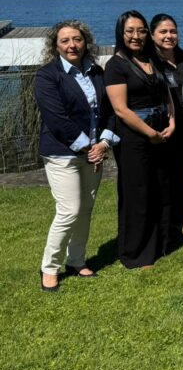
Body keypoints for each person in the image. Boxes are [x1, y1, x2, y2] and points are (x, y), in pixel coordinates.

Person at [34, 21, 119, 291]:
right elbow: (56, 119)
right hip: (62, 154)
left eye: (77, 39)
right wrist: (87, 147)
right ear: (55, 46)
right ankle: (49, 267)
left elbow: (110, 112)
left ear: (86, 41)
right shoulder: (48, 76)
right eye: (65, 41)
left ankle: (77, 260)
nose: (72, 45)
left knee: (85, 210)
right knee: (69, 210)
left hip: (94, 152)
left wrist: (104, 142)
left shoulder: (97, 71)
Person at [105, 10, 176, 268]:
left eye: (141, 30)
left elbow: (165, 91)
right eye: (130, 31)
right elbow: (121, 109)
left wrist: (172, 120)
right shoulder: (116, 65)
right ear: (121, 34)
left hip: (161, 129)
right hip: (136, 136)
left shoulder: (151, 59)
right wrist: (150, 134)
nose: (136, 36)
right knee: (139, 192)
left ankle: (162, 243)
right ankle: (137, 252)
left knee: (160, 188)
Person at [150, 13, 183, 243]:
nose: (169, 36)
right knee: (166, 175)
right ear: (152, 35)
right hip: (164, 127)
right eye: (163, 32)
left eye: (173, 31)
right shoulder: (149, 62)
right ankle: (169, 222)